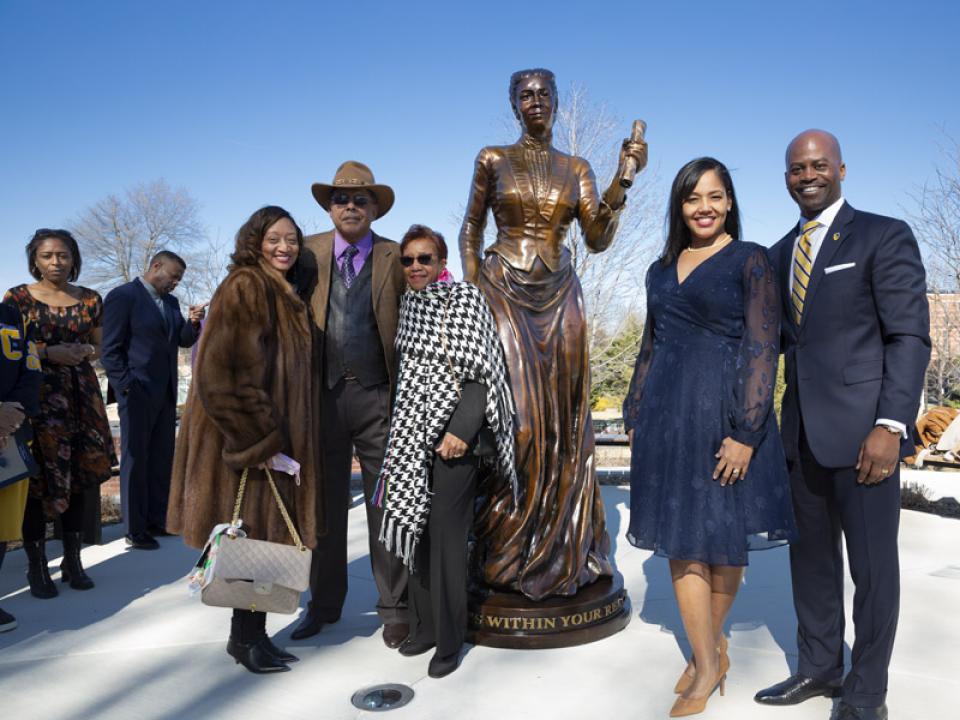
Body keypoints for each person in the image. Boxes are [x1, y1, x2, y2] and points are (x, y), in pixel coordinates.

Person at [755, 131, 930, 720]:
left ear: (842, 170)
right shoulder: (778, 254)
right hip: (800, 437)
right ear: (786, 177)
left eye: (818, 165)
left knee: (873, 572)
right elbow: (771, 343)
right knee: (811, 564)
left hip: (866, 440)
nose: (808, 175)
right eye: (797, 168)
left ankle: (865, 695)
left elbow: (908, 336)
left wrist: (891, 424)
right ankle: (819, 669)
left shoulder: (884, 236)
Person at [458, 68, 647, 600]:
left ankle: (563, 548)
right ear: (514, 104)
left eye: (544, 94)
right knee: (517, 423)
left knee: (565, 424)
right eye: (525, 94)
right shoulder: (492, 158)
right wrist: (475, 292)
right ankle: (508, 552)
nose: (535, 101)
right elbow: (471, 227)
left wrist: (624, 179)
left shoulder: (576, 167)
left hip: (561, 293)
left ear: (558, 103)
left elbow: (597, 237)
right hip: (503, 290)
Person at [624, 158, 797, 717]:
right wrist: (634, 407)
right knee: (683, 546)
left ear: (729, 203)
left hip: (725, 416)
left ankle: (708, 658)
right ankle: (707, 657)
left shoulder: (750, 261)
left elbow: (762, 344)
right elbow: (651, 344)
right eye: (693, 197)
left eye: (716, 196)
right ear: (679, 206)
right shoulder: (658, 268)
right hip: (666, 421)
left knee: (722, 546)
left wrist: (747, 431)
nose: (704, 206)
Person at [167, 205, 320, 674]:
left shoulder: (281, 290)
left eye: (292, 239)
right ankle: (245, 639)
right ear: (255, 240)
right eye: (275, 238)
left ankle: (251, 636)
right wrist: (260, 442)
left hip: (269, 438)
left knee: (262, 542)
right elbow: (221, 374)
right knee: (249, 537)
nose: (285, 247)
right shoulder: (247, 285)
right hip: (245, 444)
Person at [375, 225, 516, 678]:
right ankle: (426, 626)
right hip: (411, 439)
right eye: (408, 260)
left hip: (458, 441)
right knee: (418, 533)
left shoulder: (465, 301)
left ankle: (450, 641)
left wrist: (461, 430)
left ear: (440, 263)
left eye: (425, 259)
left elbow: (484, 372)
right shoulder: (407, 308)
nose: (416, 267)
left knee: (448, 538)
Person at [295, 161, 409, 647]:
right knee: (323, 508)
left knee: (387, 506)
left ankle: (395, 609)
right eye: (341, 199)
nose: (350, 206)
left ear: (375, 207)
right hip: (320, 398)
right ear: (328, 206)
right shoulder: (304, 253)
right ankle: (323, 605)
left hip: (378, 396)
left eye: (361, 199)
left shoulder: (396, 255)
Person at [4, 230, 117, 597]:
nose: (56, 262)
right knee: (37, 480)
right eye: (48, 255)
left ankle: (73, 560)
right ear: (34, 259)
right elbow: (10, 349)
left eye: (63, 255)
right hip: (37, 397)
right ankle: (37, 567)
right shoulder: (17, 299)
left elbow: (100, 346)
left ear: (74, 258)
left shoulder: (90, 299)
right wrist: (51, 353)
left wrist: (82, 351)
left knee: (81, 474)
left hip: (82, 395)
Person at [101, 250, 204, 550]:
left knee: (161, 459)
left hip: (166, 392)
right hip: (137, 393)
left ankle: (159, 519)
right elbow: (110, 350)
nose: (176, 284)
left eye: (179, 280)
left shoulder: (171, 303)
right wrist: (127, 388)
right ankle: (135, 529)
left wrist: (193, 322)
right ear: (156, 266)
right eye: (173, 277)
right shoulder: (123, 296)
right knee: (135, 459)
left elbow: (182, 340)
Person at [0, 301, 41, 630]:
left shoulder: (14, 317)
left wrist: (10, 416)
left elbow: (31, 370)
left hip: (10, 434)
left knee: (2, 522)